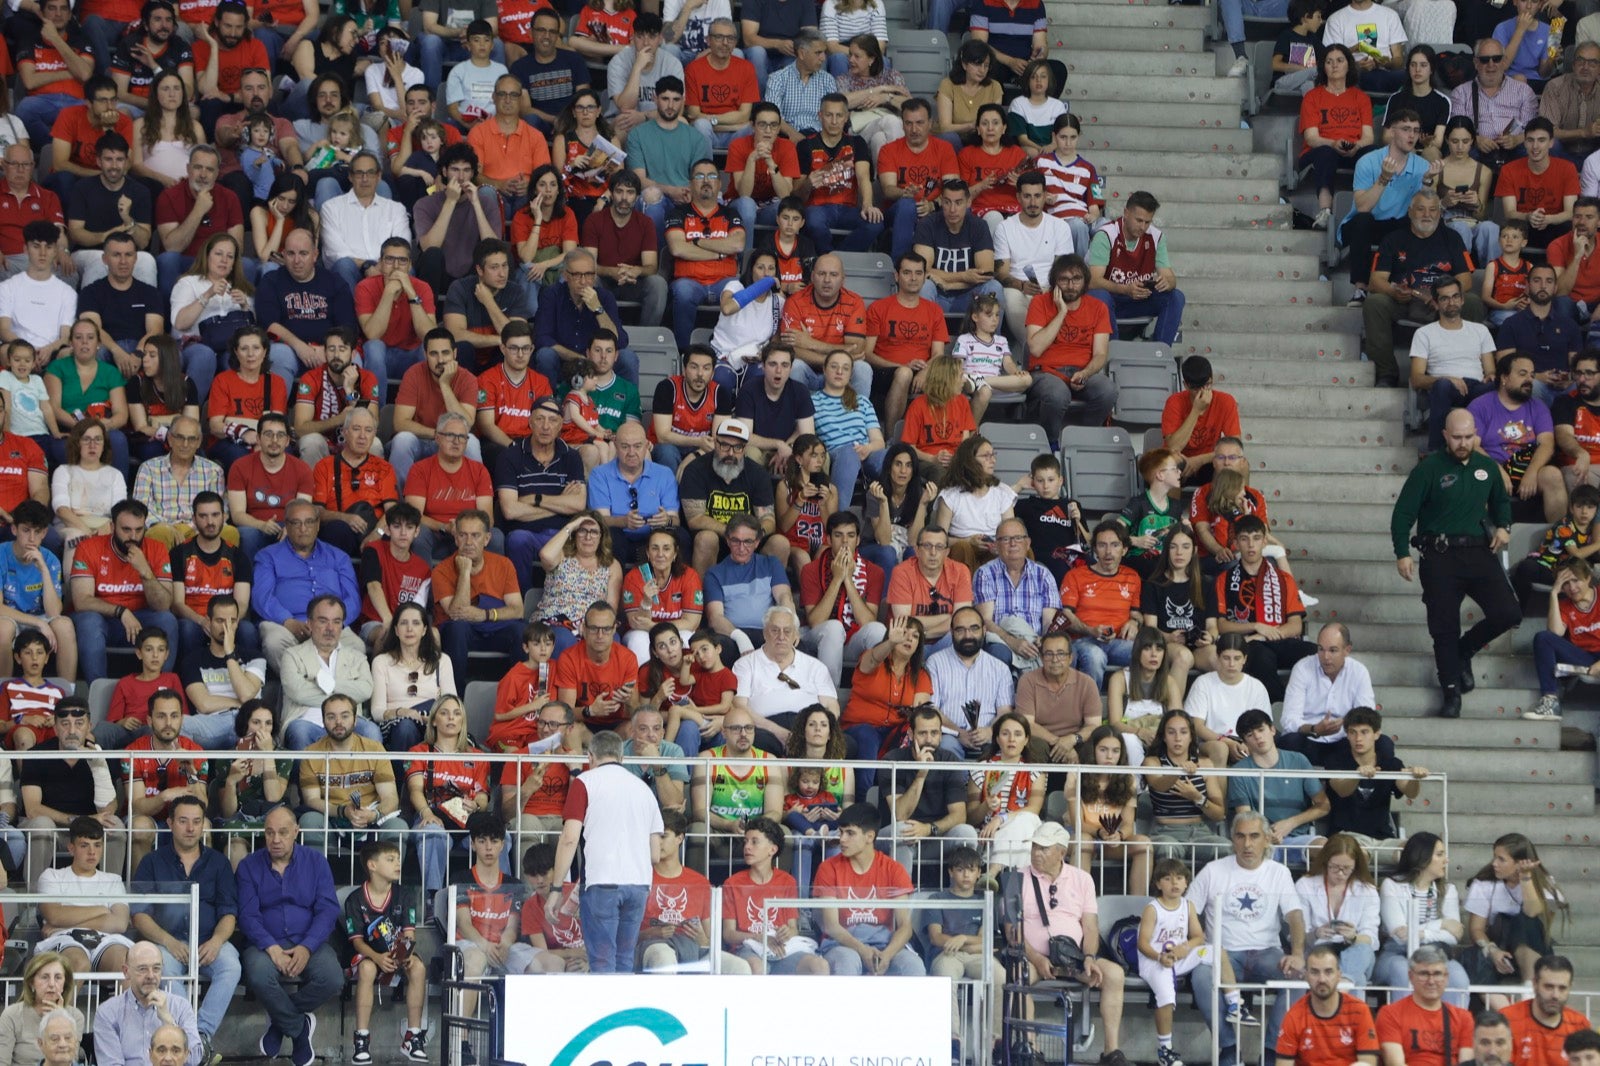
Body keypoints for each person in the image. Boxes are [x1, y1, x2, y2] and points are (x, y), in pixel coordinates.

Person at [1391, 407, 1519, 718]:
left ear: (1476, 436)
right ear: (1445, 435)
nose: (1463, 443)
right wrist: (1402, 552)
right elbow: (1403, 513)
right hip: (1440, 555)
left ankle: (1464, 650)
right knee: (1444, 628)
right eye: (1457, 437)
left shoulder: (1486, 467)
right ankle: (1450, 691)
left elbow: (1501, 501)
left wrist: (1504, 526)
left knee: (1508, 613)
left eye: (1468, 437)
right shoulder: (1428, 469)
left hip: (1478, 551)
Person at [1186, 811, 1307, 1064]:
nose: (1247, 844)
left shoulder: (1278, 872)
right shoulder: (1213, 870)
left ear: (1266, 839)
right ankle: (1229, 1049)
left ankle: (1273, 1051)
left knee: (1299, 977)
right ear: (1232, 839)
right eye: (1240, 836)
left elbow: (1295, 916)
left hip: (1267, 953)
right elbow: (1187, 910)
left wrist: (1297, 955)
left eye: (1254, 836)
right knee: (1201, 975)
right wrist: (1199, 941)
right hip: (1223, 955)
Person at [541, 728, 663, 973]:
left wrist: (556, 889)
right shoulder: (643, 789)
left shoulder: (585, 782)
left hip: (601, 882)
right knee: (624, 960)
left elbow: (569, 839)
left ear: (590, 757)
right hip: (639, 884)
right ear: (622, 757)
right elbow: (655, 855)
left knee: (602, 962)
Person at [1014, 821, 1127, 1066]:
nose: (1036, 853)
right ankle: (1030, 1049)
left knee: (1114, 974)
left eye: (1044, 848)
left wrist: (1089, 957)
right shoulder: (1018, 878)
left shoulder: (1082, 879)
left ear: (1061, 852)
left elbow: (1090, 926)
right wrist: (1036, 958)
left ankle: (1111, 1052)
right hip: (1032, 957)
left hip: (1071, 956)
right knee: (1018, 975)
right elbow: (1012, 929)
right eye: (1034, 846)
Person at [236, 805, 341, 1066]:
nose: (275, 839)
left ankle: (280, 1022)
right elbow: (248, 916)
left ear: (296, 831)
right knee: (259, 975)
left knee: (332, 978)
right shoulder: (249, 866)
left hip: (308, 940)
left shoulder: (316, 862)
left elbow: (328, 910)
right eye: (269, 833)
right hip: (264, 944)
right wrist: (271, 948)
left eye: (283, 832)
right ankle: (299, 1029)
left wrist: (307, 947)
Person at [1362, 191, 1482, 388]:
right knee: (1375, 303)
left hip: (1442, 301)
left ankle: (1467, 369)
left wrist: (1443, 297)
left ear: (1439, 213)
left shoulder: (1452, 238)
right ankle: (1386, 373)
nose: (1427, 215)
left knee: (1473, 302)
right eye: (1420, 209)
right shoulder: (1393, 239)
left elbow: (1465, 281)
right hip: (1404, 300)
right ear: (1410, 212)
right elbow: (1376, 281)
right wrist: (1394, 292)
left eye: (1433, 210)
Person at [1140, 857, 1242, 1066]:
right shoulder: (1152, 908)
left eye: (1179, 878)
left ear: (1186, 882)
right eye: (1167, 879)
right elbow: (1142, 943)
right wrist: (1160, 957)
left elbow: (1198, 937)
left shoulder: (1188, 906)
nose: (1174, 883)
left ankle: (1234, 1002)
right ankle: (1165, 1050)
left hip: (1179, 956)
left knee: (1216, 950)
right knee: (1167, 996)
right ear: (1158, 884)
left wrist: (1184, 948)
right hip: (1155, 961)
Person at [341, 840, 429, 1065]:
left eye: (398, 859)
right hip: (369, 955)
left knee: (418, 967)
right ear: (372, 865)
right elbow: (357, 942)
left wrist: (403, 955)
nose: (398, 864)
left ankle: (413, 1036)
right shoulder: (355, 899)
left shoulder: (404, 894)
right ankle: (361, 1039)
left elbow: (409, 934)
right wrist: (378, 957)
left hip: (397, 955)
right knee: (367, 969)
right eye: (390, 860)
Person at [18, 700, 123, 884]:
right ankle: (33, 899)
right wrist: (81, 819)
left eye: (79, 723)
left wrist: (97, 767)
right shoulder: (37, 754)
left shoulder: (100, 755)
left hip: (89, 830)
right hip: (53, 828)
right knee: (42, 825)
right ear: (55, 728)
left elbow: (108, 810)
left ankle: (111, 894)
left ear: (89, 726)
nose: (72, 730)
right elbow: (32, 809)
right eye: (65, 724)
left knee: (115, 826)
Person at [813, 802, 924, 976]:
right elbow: (831, 926)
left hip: (884, 944)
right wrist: (863, 950)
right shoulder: (828, 868)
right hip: (840, 945)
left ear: (869, 836)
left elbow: (904, 926)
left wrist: (886, 956)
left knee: (912, 965)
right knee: (847, 960)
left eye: (850, 833)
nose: (842, 839)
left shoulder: (894, 869)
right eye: (841, 832)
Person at [1216, 515, 1316, 702]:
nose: (1251, 545)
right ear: (1236, 543)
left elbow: (1296, 625)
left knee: (1316, 654)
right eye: (1244, 539)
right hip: (1246, 644)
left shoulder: (1284, 579)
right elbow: (1221, 625)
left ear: (1264, 542)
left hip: (1279, 640)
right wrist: (1256, 626)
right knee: (1261, 656)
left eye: (1256, 538)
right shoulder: (1224, 580)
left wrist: (1264, 635)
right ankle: (1276, 708)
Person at [1024, 252, 1116, 440]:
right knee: (1058, 394)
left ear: (1085, 281)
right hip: (1046, 373)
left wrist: (1085, 373)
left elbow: (1100, 354)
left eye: (1076, 279)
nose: (1071, 285)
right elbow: (1036, 348)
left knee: (1108, 390)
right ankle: (1050, 443)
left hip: (1082, 372)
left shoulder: (1098, 308)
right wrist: (1061, 313)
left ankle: (1085, 439)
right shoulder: (1039, 302)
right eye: (1064, 280)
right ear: (1054, 282)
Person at [296, 694, 406, 850]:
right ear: (323, 721)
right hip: (332, 818)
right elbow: (311, 799)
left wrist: (373, 815)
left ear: (355, 720)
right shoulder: (311, 753)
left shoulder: (374, 749)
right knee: (309, 821)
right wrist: (342, 811)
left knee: (398, 827)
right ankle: (322, 867)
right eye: (331, 717)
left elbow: (390, 797)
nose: (338, 722)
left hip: (371, 817)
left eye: (345, 716)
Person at [1227, 709, 1331, 866]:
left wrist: (1290, 823)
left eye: (1261, 730)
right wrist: (1266, 835)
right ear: (1245, 742)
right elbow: (1245, 817)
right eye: (1250, 735)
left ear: (1272, 730)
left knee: (1327, 849)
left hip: (1299, 838)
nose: (1257, 737)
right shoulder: (1239, 771)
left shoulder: (1298, 760)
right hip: (1260, 842)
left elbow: (1323, 805)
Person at [1464, 833, 1567, 986]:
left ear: (1519, 863)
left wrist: (1526, 877)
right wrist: (1492, 950)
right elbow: (1476, 929)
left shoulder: (1544, 883)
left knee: (1525, 920)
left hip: (1534, 949)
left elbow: (1533, 913)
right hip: (1499, 948)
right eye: (1494, 857)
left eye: (1501, 859)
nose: (1494, 863)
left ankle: (1529, 985)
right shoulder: (1483, 884)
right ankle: (1528, 986)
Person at [666, 159, 746, 352]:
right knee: (683, 291)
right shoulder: (678, 213)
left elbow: (737, 244)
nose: (706, 181)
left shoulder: (730, 213)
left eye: (711, 176)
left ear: (719, 183)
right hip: (689, 281)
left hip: (724, 281)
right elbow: (678, 248)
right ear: (690, 183)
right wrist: (720, 253)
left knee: (739, 290)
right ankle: (683, 353)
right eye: (700, 176)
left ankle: (733, 352)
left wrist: (696, 242)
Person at [1412, 275, 1498, 454]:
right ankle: (1436, 452)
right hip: (1445, 388)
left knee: (1499, 386)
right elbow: (1417, 379)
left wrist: (1491, 376)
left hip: (1475, 386)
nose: (1451, 302)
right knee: (1442, 385)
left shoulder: (1480, 330)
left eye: (1455, 296)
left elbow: (1490, 370)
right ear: (1436, 303)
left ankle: (1494, 450)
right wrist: (1447, 379)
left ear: (1462, 299)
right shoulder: (1424, 334)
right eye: (1444, 298)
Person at [1086, 191, 1185, 346]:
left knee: (1176, 297)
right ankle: (1112, 351)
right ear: (1126, 213)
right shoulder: (1106, 235)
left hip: (1139, 299)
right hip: (1112, 299)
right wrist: (1125, 289)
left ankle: (1160, 351)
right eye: (1139, 220)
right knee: (1099, 296)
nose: (1143, 227)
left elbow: (1170, 278)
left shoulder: (1156, 237)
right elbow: (1093, 281)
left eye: (1147, 222)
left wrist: (1167, 282)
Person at [1278, 623, 1381, 765]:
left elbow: (1365, 717)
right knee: (1288, 742)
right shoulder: (1302, 668)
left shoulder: (1359, 671)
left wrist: (1345, 724)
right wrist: (1315, 729)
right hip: (1309, 739)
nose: (1325, 657)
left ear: (1347, 650)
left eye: (1333, 650)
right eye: (1321, 649)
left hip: (1345, 741)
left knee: (1383, 744)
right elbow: (1289, 720)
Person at [91, 943, 203, 1066]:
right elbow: (111, 1064)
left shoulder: (181, 1006)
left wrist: (169, 1022)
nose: (150, 975)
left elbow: (195, 1058)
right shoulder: (108, 1012)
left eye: (156, 968)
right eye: (142, 969)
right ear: (126, 972)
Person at [1274, 943, 1380, 1066]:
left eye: (1328, 972)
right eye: (1315, 972)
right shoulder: (1294, 1016)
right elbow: (1283, 1064)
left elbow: (1368, 1062)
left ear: (1339, 975)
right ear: (1306, 976)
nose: (1322, 979)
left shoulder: (1359, 1010)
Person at [1376, 945, 1475, 1066]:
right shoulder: (1390, 1013)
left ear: (1446, 977)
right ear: (1411, 977)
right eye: (1424, 974)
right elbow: (1395, 1063)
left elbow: (1466, 1063)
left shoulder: (1463, 1018)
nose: (1431, 981)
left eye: (1437, 974)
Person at [0, 954, 82, 1066]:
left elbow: (70, 1060)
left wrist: (60, 1017)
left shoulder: (75, 1016)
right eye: (45, 977)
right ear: (31, 982)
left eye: (58, 977)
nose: (52, 984)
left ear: (65, 984)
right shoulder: (12, 1015)